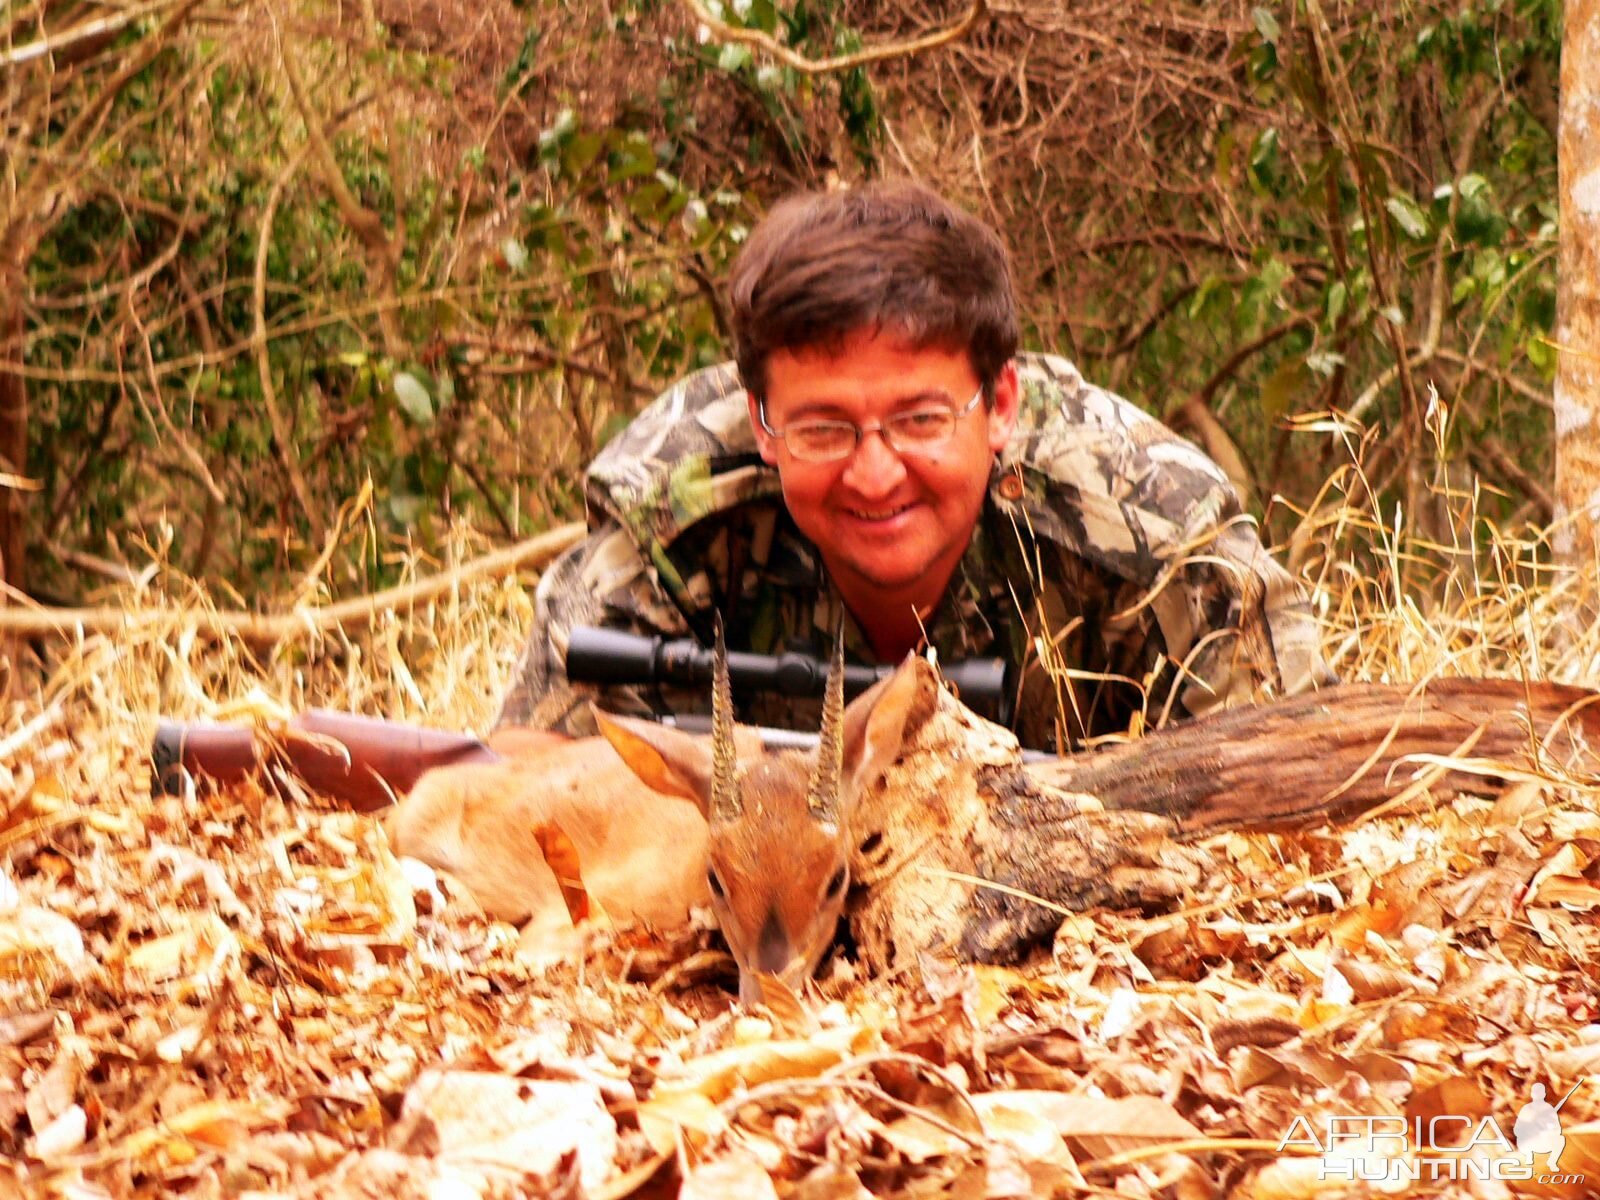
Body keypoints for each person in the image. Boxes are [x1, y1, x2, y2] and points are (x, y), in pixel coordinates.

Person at [495, 181, 1333, 753]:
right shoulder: (675, 521)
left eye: (920, 420)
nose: (875, 473)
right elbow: (533, 793)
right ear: (762, 422)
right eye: (823, 428)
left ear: (1000, 403)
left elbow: (1307, 783)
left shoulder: (1144, 524)